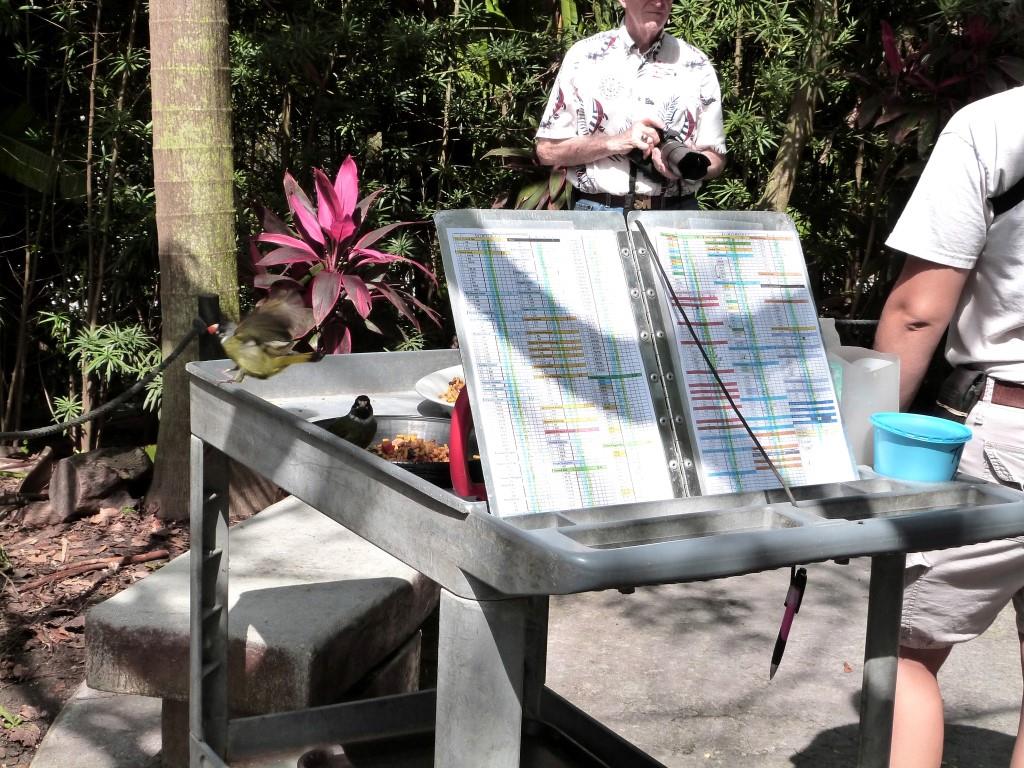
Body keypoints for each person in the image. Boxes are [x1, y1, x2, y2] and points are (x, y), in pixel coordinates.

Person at [873, 84, 1024, 768]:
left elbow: (917, 312)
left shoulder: (995, 125)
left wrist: (869, 442)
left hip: (1007, 434)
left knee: (904, 649)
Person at [535, 0, 727, 212]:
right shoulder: (584, 57)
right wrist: (617, 142)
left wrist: (686, 167)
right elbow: (547, 151)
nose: (659, 2)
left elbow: (716, 157)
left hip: (677, 213)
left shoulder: (696, 63)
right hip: (599, 212)